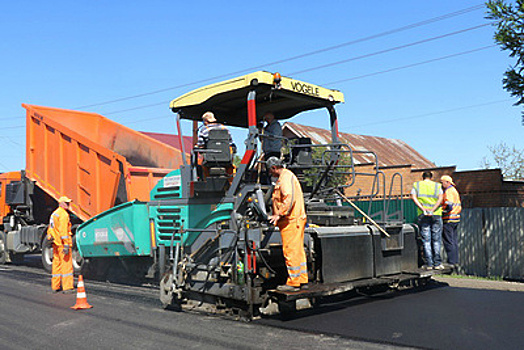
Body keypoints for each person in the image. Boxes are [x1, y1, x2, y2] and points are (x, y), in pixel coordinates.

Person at [267, 157, 308, 291]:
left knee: (290, 250)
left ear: (274, 168)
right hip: (294, 219)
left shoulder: (285, 178)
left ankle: (293, 282)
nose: (270, 174)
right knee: (297, 250)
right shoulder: (287, 176)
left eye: (270, 170)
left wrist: (278, 214)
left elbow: (288, 198)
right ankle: (302, 279)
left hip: (291, 220)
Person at [411, 171, 444, 270]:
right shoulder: (437, 186)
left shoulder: (417, 185)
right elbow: (440, 199)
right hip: (436, 214)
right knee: (436, 240)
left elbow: (413, 196)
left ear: (423, 177)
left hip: (423, 214)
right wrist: (433, 210)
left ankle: (429, 264)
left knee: (426, 240)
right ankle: (437, 263)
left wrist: (423, 208)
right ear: (431, 177)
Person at [195, 111, 235, 180]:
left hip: (210, 160)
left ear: (206, 121)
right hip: (226, 158)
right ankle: (231, 183)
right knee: (231, 168)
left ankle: (206, 181)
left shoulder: (204, 130)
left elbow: (201, 145)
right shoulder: (225, 129)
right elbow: (230, 143)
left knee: (202, 165)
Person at [47, 196, 75, 293]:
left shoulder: (54, 214)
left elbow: (50, 228)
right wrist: (66, 244)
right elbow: (63, 232)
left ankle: (55, 286)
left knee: (56, 264)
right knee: (66, 265)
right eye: (66, 203)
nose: (68, 204)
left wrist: (50, 238)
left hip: (56, 243)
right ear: (61, 203)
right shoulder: (63, 215)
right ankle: (67, 287)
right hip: (62, 244)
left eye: (68, 203)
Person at [440, 175, 461, 268]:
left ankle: (451, 261)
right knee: (454, 241)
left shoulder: (448, 191)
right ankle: (455, 260)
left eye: (442, 182)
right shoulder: (454, 190)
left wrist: (441, 211)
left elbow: (449, 206)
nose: (441, 184)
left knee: (448, 241)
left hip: (449, 219)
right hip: (455, 219)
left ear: (447, 182)